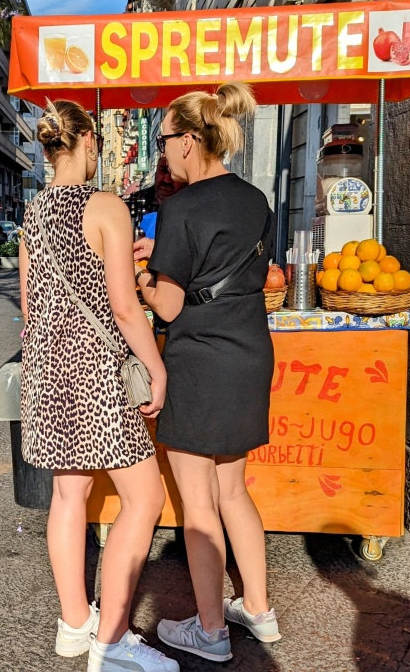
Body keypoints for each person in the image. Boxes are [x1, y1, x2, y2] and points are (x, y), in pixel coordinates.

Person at [20, 100, 176, 672]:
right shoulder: (105, 205)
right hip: (94, 372)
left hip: (46, 367)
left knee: (69, 496)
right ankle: (110, 645)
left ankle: (75, 624)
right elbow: (126, 308)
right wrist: (155, 367)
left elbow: (30, 306)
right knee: (145, 497)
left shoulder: (33, 215)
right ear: (88, 140)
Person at [133, 82, 279, 662]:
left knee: (199, 505)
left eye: (165, 140)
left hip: (197, 363)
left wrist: (142, 276)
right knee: (234, 491)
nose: (162, 151)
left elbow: (168, 307)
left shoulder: (180, 207)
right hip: (249, 356)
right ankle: (259, 610)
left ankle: (212, 629)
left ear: (190, 141)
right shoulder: (257, 201)